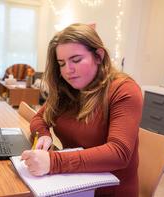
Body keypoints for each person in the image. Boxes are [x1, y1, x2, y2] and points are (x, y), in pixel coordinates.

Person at [21, 23, 143, 197]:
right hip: (73, 182)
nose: (68, 70)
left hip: (109, 191)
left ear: (99, 56)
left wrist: (53, 162)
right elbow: (39, 119)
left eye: (76, 60)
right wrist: (44, 136)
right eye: (61, 63)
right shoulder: (68, 88)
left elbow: (119, 153)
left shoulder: (124, 90)